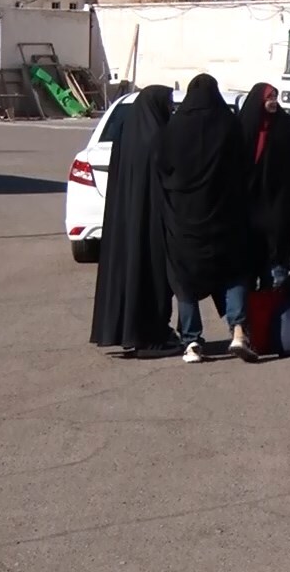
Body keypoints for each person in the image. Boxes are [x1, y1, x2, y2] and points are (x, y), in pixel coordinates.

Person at [156, 74, 257, 363]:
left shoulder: (174, 128)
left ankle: (192, 342)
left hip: (184, 220)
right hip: (226, 216)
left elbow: (162, 167)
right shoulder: (228, 125)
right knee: (234, 271)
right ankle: (238, 332)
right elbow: (245, 166)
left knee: (183, 277)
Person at [89, 85, 178, 356]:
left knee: (127, 275)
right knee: (152, 278)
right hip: (151, 224)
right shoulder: (159, 137)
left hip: (124, 222)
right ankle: (149, 337)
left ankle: (127, 332)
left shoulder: (126, 135)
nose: (171, 109)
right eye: (168, 104)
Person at [237, 82, 290, 287]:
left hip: (280, 193)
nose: (273, 102)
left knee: (279, 234)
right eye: (269, 98)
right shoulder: (245, 124)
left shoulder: (283, 123)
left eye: (275, 98)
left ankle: (278, 282)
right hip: (251, 194)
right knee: (252, 240)